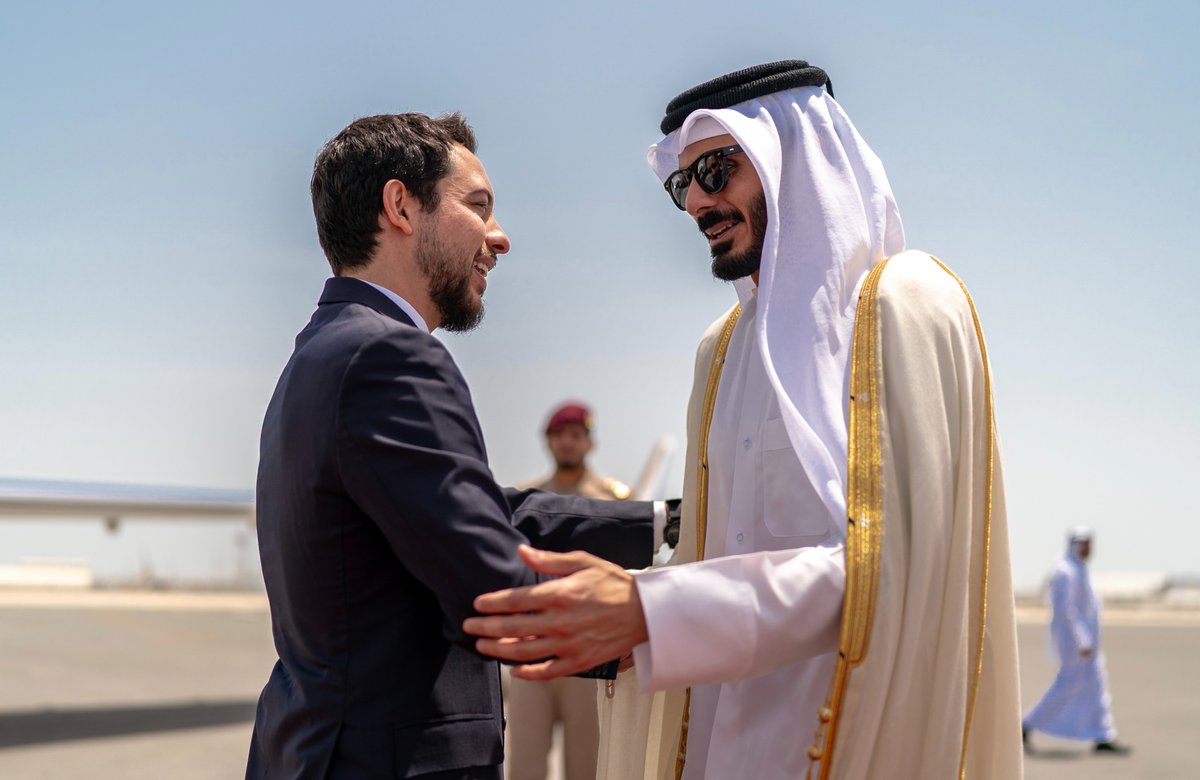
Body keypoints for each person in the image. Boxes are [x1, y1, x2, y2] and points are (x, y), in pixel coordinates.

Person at [464, 60, 1023, 779]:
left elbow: (888, 577)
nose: (698, 202)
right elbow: (713, 555)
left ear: (790, 159)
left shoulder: (904, 310)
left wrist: (649, 611)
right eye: (682, 184)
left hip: (852, 742)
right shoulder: (722, 349)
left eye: (720, 169)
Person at [246, 112, 660, 780]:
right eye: (478, 206)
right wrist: (689, 623)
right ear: (401, 206)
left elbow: (482, 517)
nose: (499, 238)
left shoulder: (327, 352)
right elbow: (495, 592)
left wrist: (670, 523)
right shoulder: (389, 356)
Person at [506, 402, 631, 780]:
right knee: (524, 764)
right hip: (533, 644)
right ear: (548, 442)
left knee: (587, 765)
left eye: (575, 435)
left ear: (589, 442)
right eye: (559, 436)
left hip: (586, 646)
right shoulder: (526, 500)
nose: (567, 443)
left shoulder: (614, 502)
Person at [1023, 528, 1131, 755]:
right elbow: (1067, 610)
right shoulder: (1065, 571)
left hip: (1089, 644)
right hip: (1075, 645)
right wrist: (1081, 640)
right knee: (1066, 686)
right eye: (1085, 544)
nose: (1089, 549)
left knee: (1097, 687)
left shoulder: (1080, 570)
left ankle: (1103, 734)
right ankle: (1027, 724)